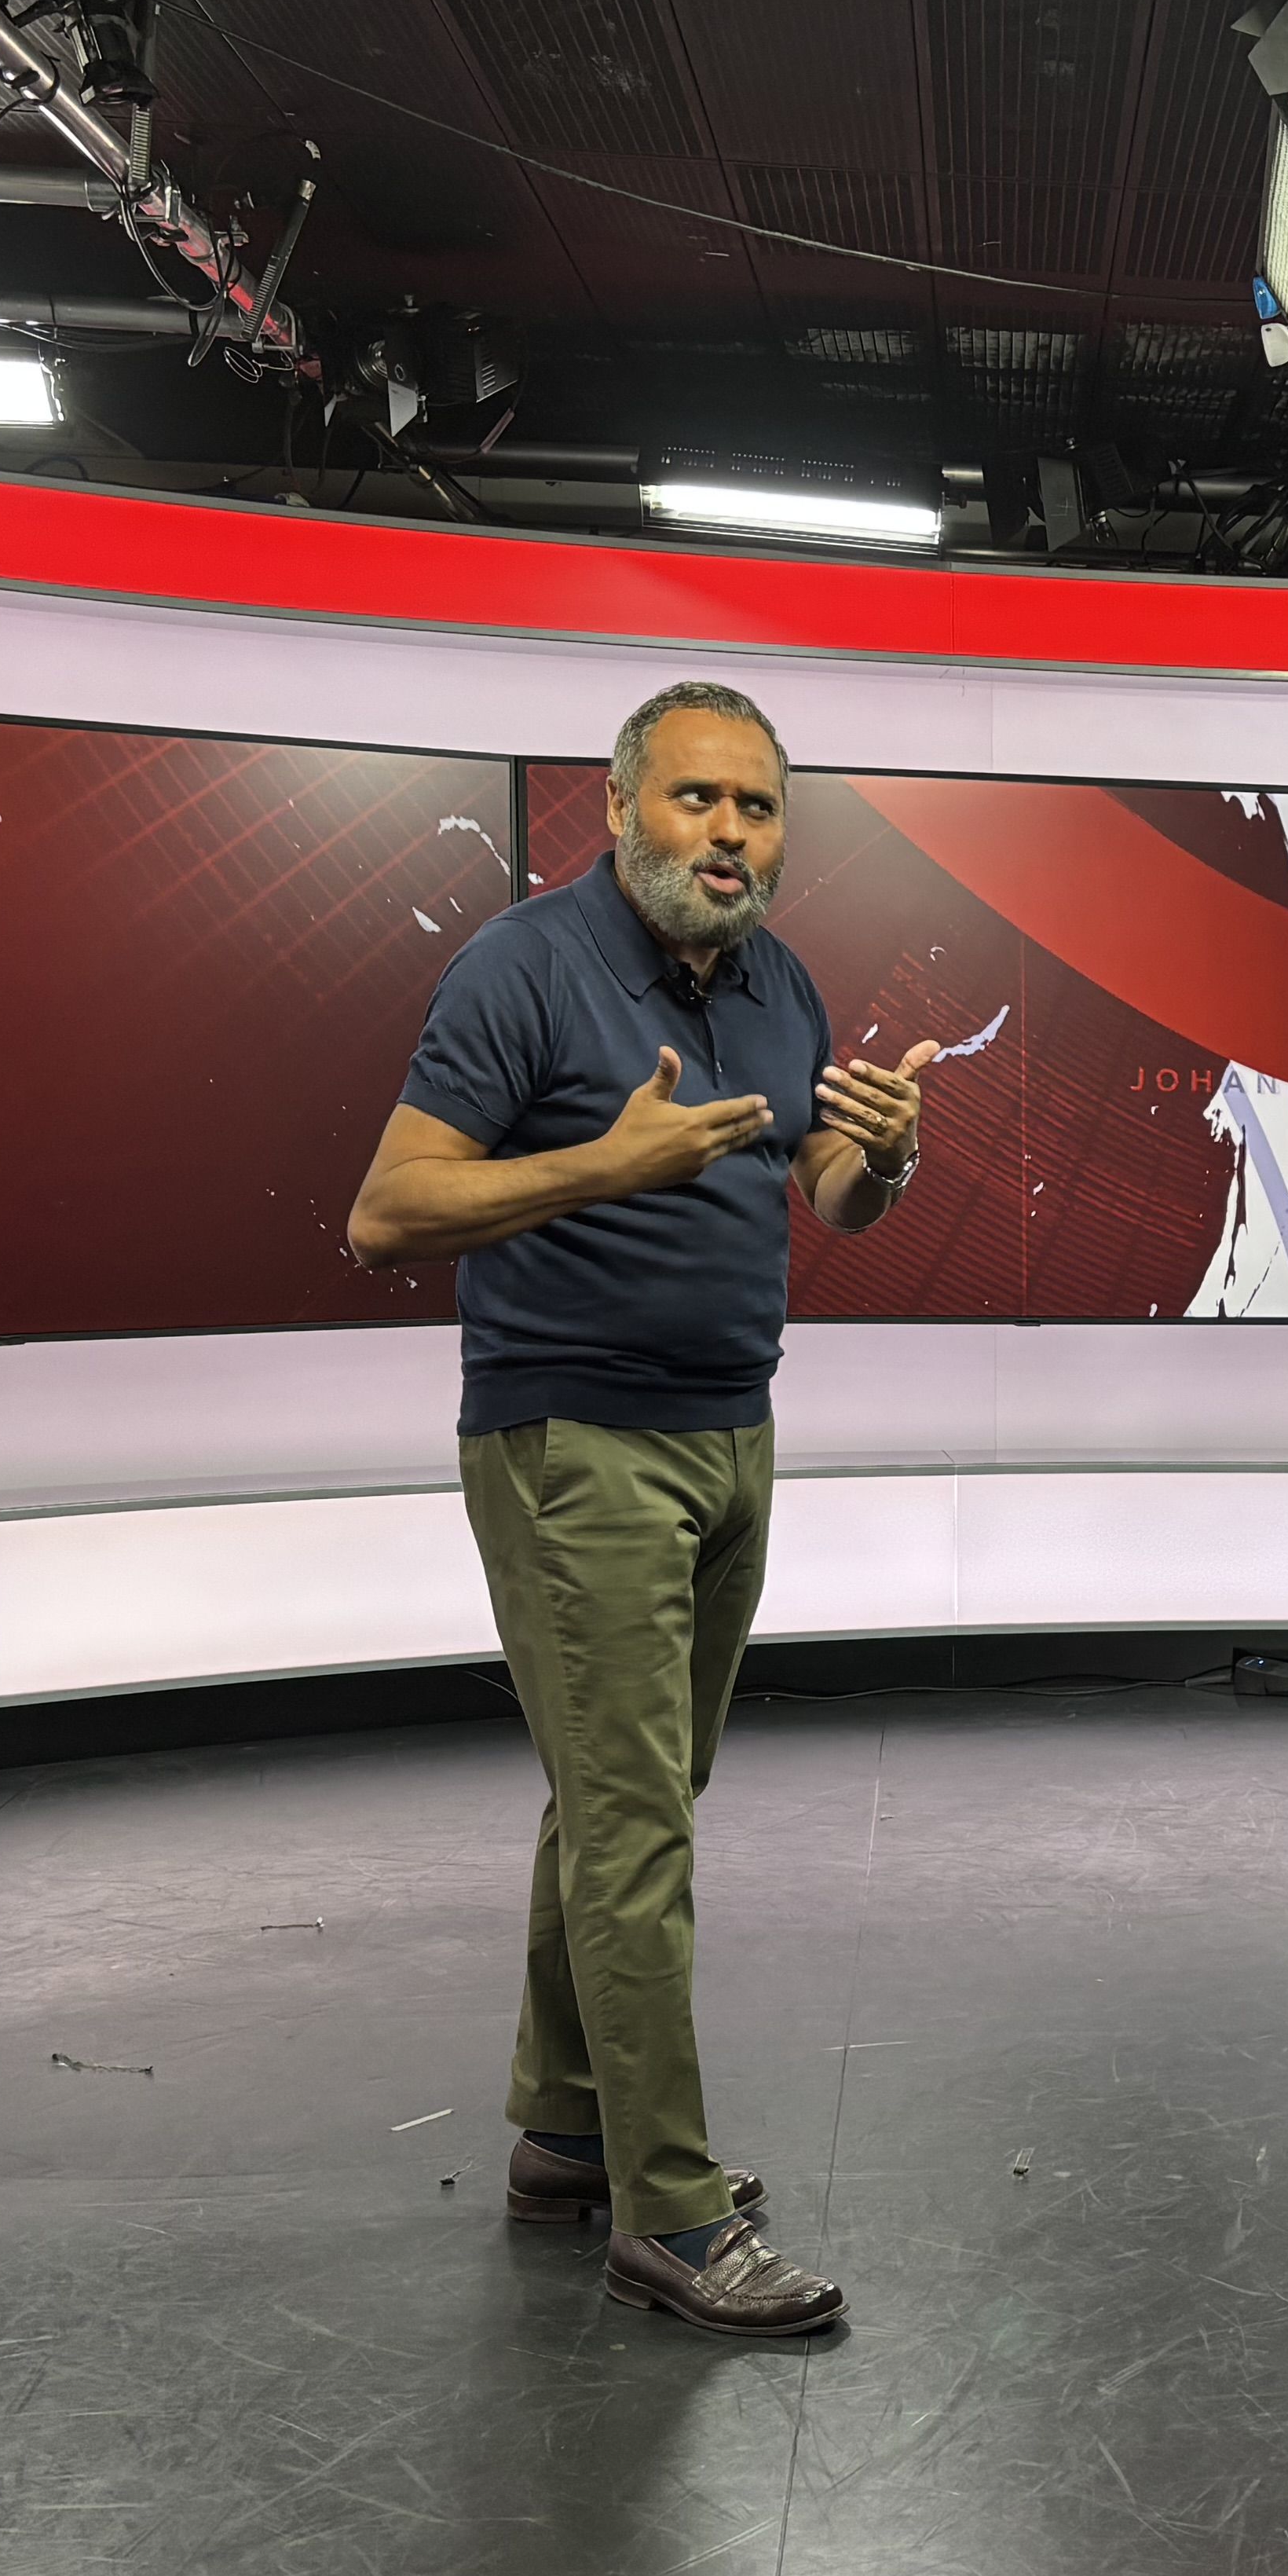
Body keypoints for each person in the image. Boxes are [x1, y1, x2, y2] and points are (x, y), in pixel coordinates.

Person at [347, 679, 939, 2343]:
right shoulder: (523, 967)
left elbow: (823, 1193)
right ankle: (667, 2214)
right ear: (617, 810)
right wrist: (603, 1168)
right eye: (695, 799)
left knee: (634, 1799)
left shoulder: (780, 983)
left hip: (731, 1432)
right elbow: (387, 1211)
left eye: (756, 806)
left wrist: (885, 1156)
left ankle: (563, 2136)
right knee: (636, 1832)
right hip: (575, 1443)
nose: (728, 833)